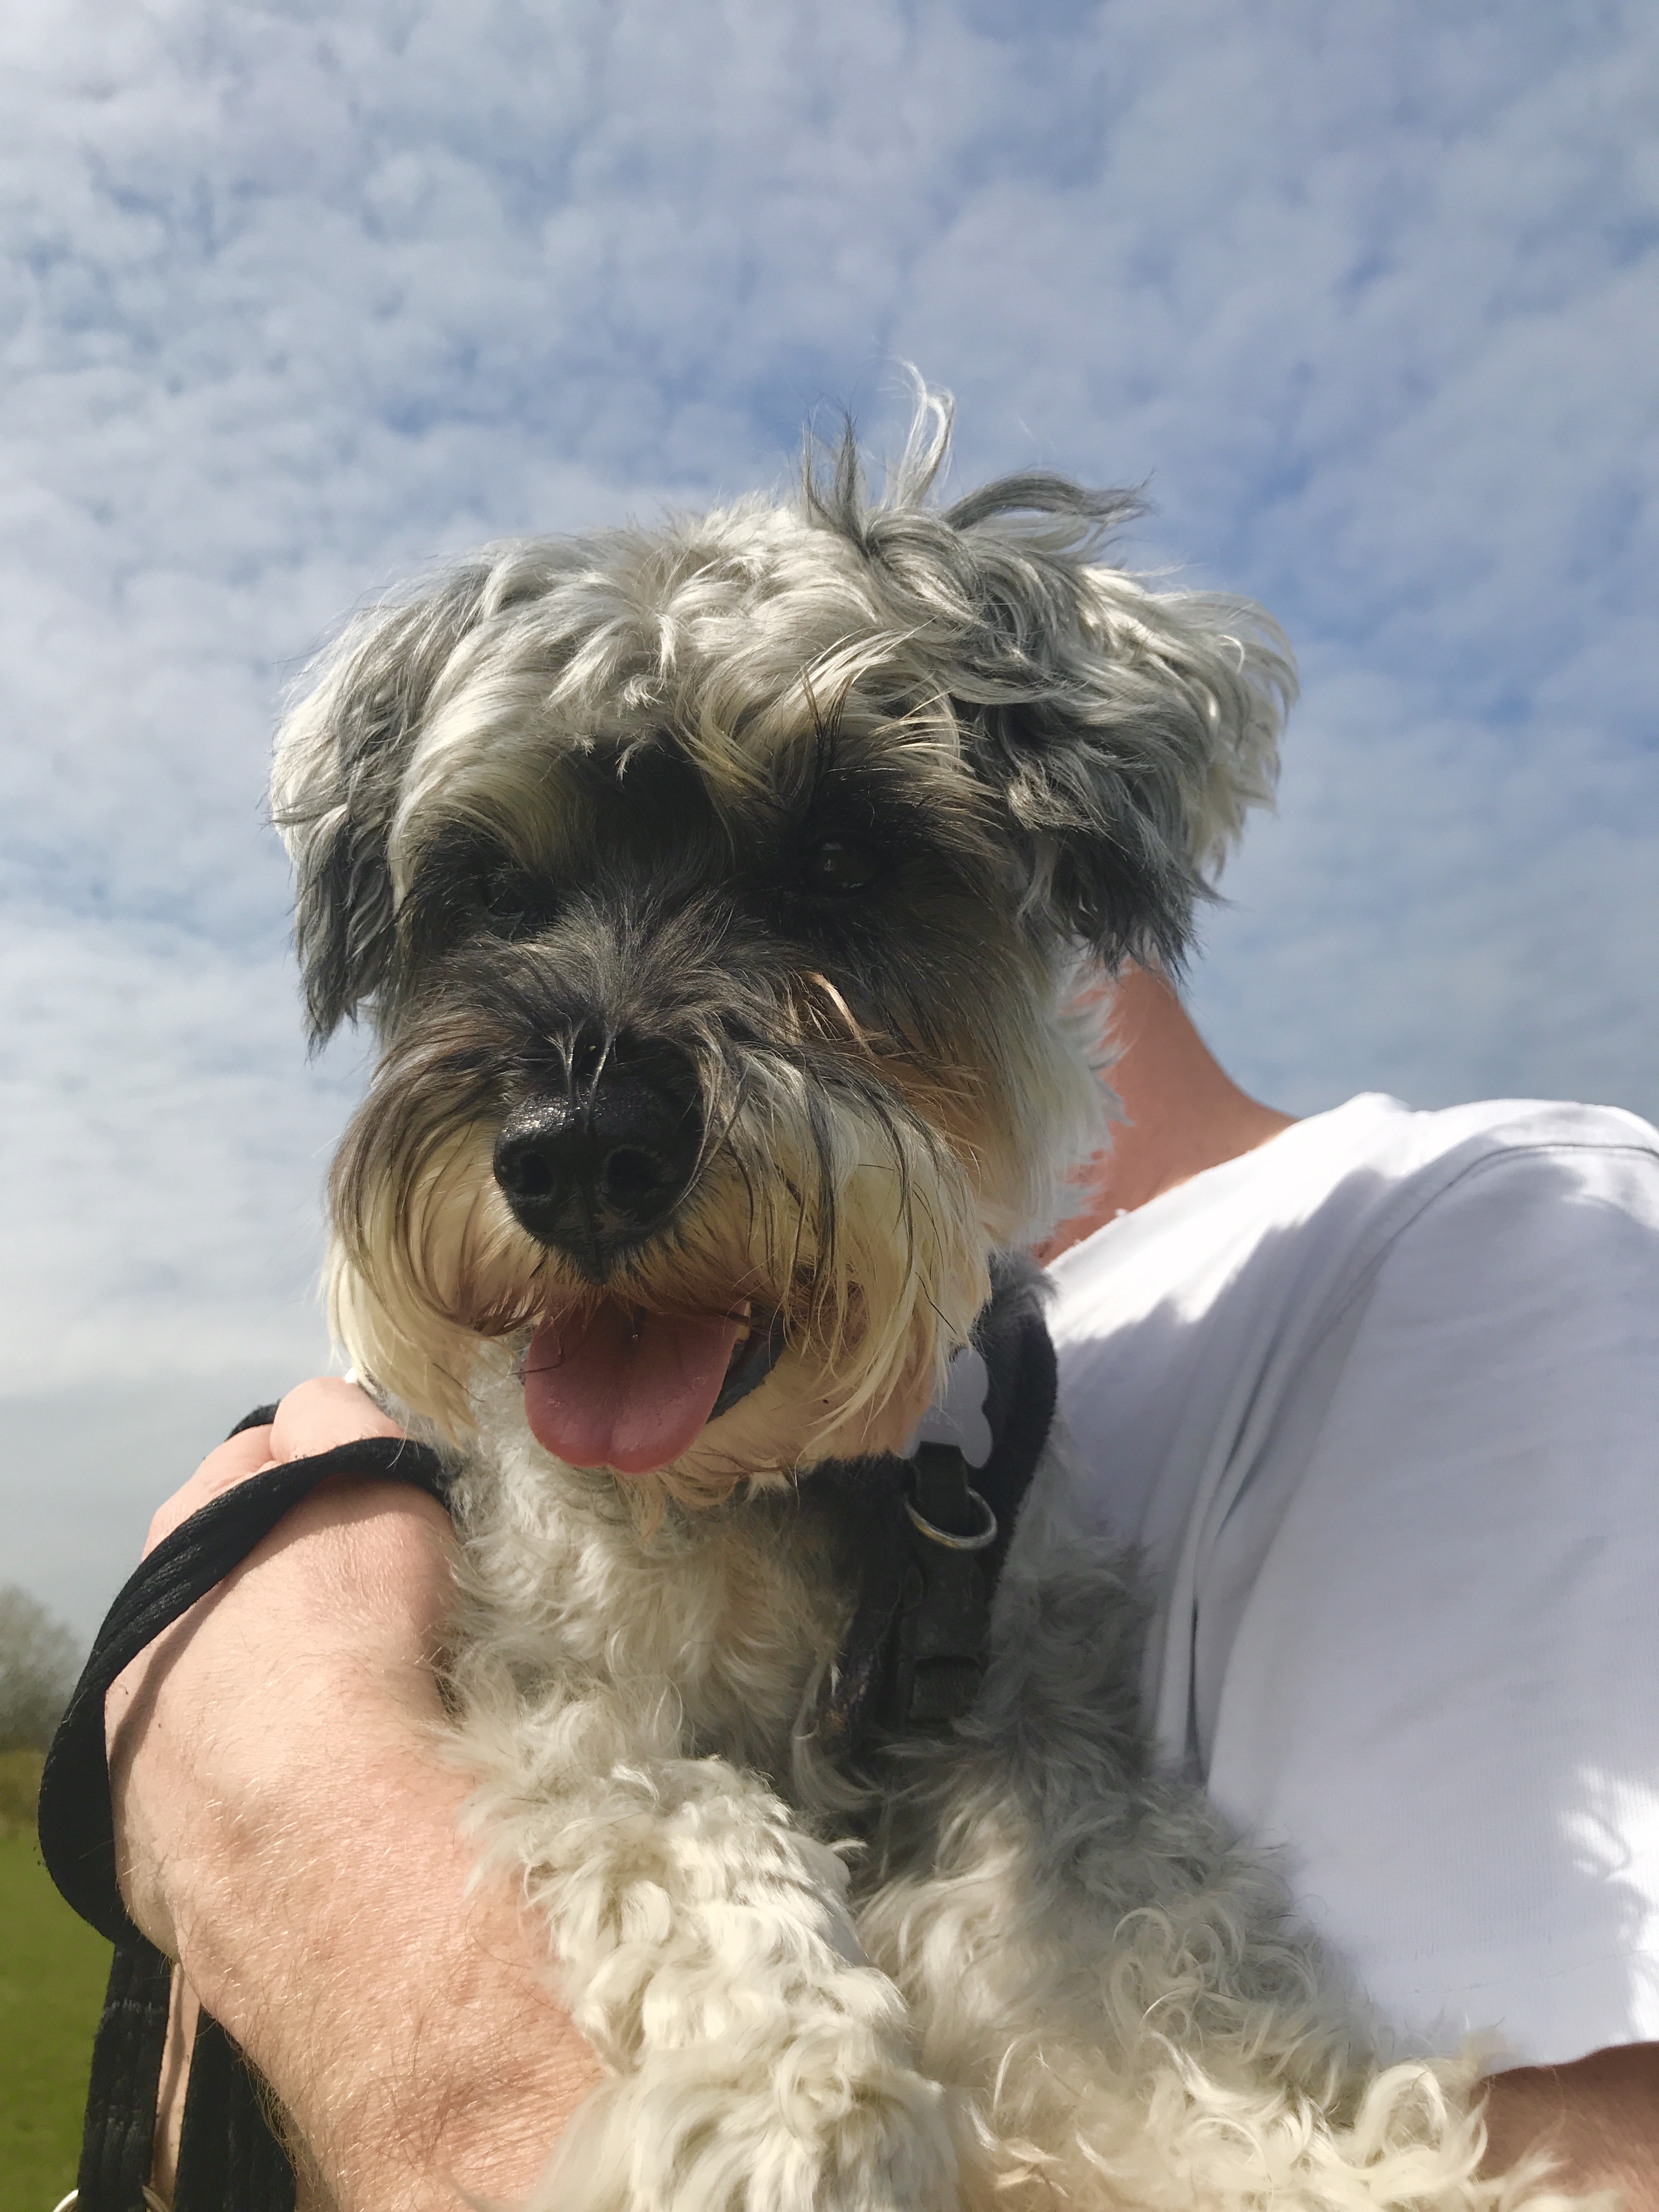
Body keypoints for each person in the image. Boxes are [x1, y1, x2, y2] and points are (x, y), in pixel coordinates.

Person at [108, 967, 1659, 2210]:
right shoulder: (619, 1391)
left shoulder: (1488, 1237)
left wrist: (315, 1847)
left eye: (827, 875)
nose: (578, 1134)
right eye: (490, 901)